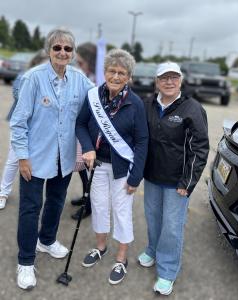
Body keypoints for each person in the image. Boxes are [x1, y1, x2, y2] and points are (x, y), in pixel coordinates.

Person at [10, 28, 94, 290]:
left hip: (64, 158)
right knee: (30, 208)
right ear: (49, 51)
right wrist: (22, 158)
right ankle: (25, 261)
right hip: (35, 159)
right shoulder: (33, 79)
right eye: (57, 47)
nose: (62, 52)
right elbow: (18, 122)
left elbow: (102, 101)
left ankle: (46, 240)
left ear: (73, 53)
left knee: (56, 202)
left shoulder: (80, 80)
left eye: (68, 49)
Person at [76, 48, 148, 285]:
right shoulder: (93, 96)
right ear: (104, 72)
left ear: (129, 77)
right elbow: (81, 124)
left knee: (122, 211)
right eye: (111, 71)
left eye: (121, 73)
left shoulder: (135, 103)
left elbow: (141, 141)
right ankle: (101, 247)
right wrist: (87, 147)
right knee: (98, 206)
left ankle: (121, 258)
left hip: (122, 169)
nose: (116, 77)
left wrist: (135, 177)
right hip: (97, 164)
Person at [138, 62, 209, 295]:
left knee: (172, 226)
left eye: (173, 77)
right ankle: (152, 249)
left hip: (177, 181)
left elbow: (199, 148)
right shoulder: (147, 103)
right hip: (152, 176)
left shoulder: (192, 108)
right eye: (164, 78)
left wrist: (187, 183)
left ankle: (167, 270)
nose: (169, 82)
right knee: (153, 218)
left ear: (181, 80)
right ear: (156, 81)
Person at [0, 49, 49, 210]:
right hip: (22, 126)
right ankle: (3, 193)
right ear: (36, 63)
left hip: (39, 128)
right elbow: (19, 97)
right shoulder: (25, 77)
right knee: (14, 159)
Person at [70, 42, 97, 220]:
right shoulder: (85, 75)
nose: (79, 66)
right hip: (82, 128)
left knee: (89, 169)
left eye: (81, 62)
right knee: (81, 167)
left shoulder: (98, 77)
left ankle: (89, 205)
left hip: (92, 131)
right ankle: (86, 197)